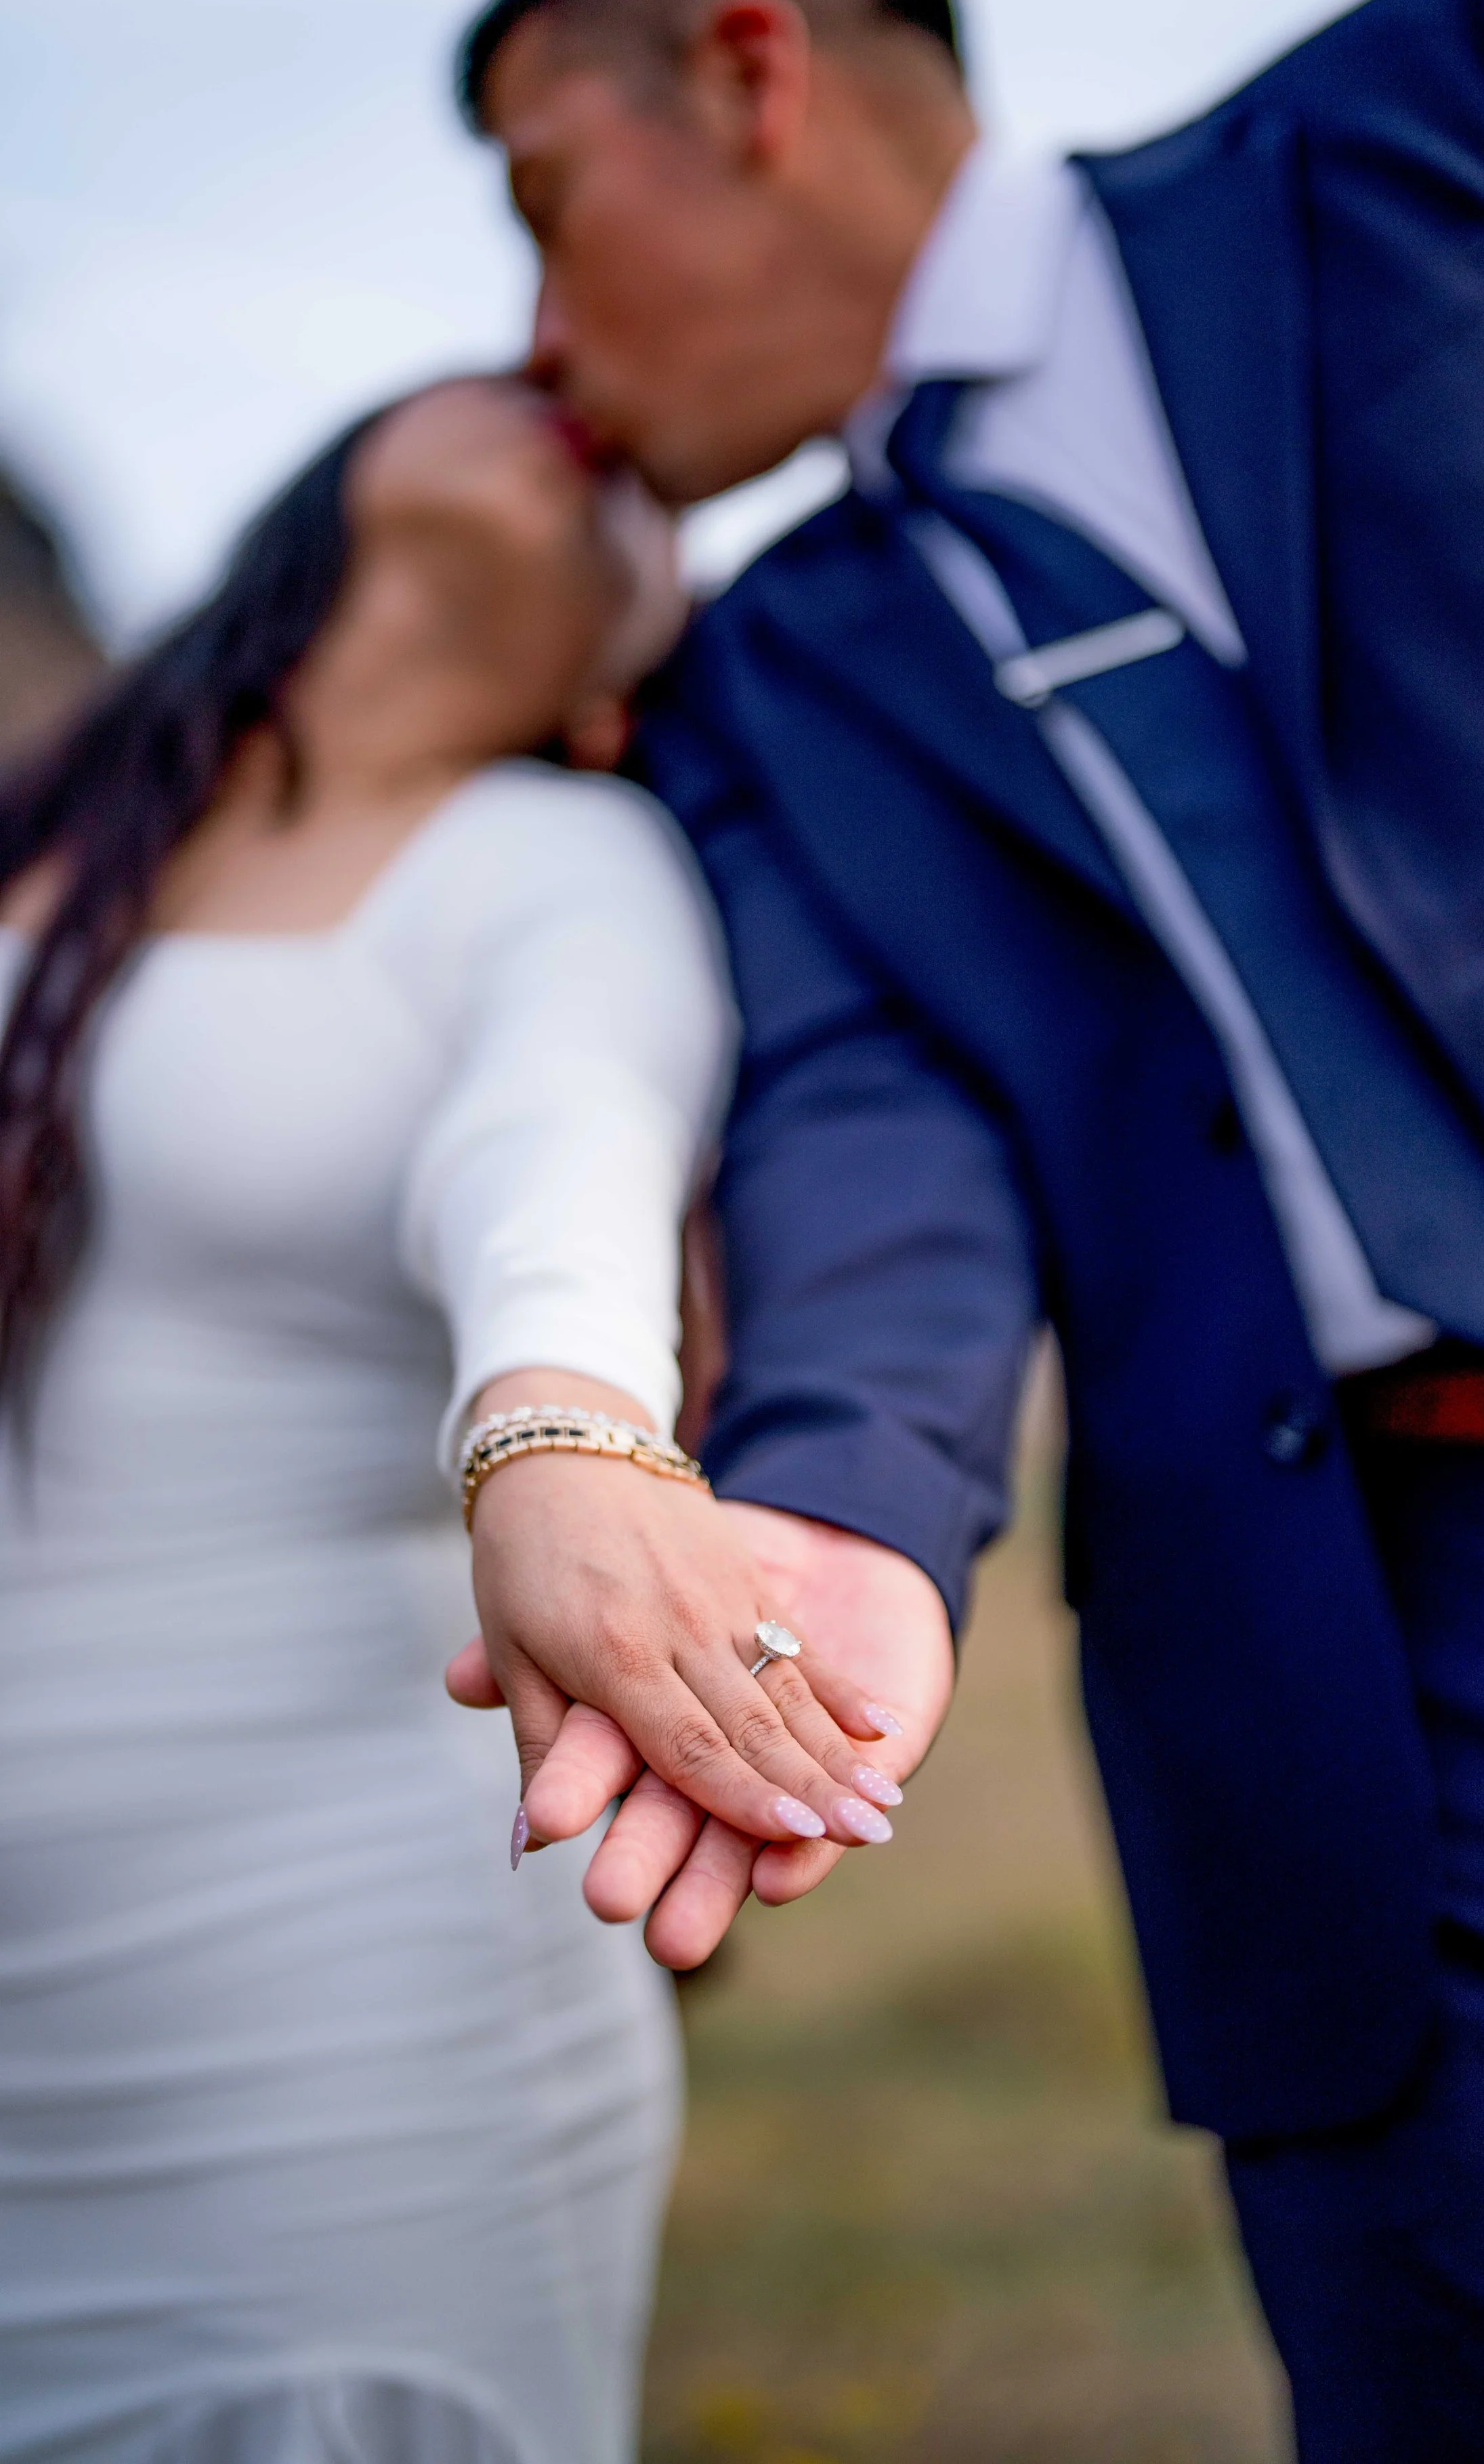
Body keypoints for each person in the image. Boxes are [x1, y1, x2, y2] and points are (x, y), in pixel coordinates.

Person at [446, 0, 1484, 2457]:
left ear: (749, 71)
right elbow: (867, 1139)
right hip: (1360, 1694)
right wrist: (845, 1520)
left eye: (548, 200)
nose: (544, 335)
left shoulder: (1445, 119)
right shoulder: (769, 686)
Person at [0, 371, 901, 2464]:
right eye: (505, 373)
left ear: (615, 688)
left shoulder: (562, 858)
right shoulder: (54, 841)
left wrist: (565, 1427)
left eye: (638, 477)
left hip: (333, 2010)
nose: (568, 401)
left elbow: (559, 1142)